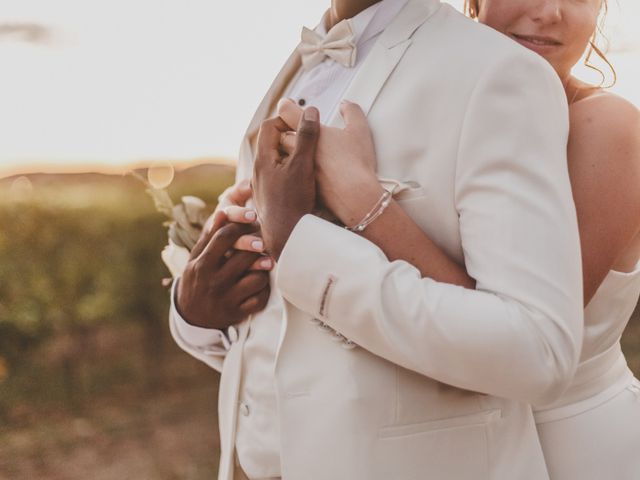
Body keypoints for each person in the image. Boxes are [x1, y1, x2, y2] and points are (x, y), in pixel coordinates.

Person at [168, 0, 584, 479]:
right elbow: (286, 336)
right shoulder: (300, 64)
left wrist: (301, 243)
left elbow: (538, 352)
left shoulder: (499, 74)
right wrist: (195, 316)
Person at [272, 0, 640, 478]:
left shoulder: (609, 128)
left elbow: (524, 339)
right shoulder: (438, 96)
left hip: (574, 447)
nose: (552, 12)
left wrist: (363, 203)